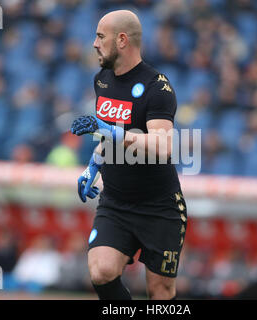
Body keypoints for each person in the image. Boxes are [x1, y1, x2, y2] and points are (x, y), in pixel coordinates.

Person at [70, 10, 187, 300]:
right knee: (101, 271)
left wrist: (110, 131)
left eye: (100, 36)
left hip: (159, 207)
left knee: (160, 291)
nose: (95, 43)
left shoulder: (157, 86)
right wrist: (92, 168)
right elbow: (107, 140)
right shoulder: (102, 81)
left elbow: (163, 146)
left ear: (122, 40)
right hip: (116, 204)